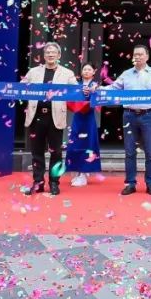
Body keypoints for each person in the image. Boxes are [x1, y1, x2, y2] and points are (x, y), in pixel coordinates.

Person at [108, 44, 151, 196]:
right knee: (129, 152)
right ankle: (130, 184)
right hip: (129, 115)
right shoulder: (126, 74)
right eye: (135, 55)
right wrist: (98, 89)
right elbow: (113, 88)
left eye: (140, 54)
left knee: (150, 152)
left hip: (148, 115)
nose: (137, 57)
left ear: (147, 57)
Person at [22, 42, 77, 196]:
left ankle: (54, 183)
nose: (50, 55)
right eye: (47, 52)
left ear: (59, 55)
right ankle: (38, 183)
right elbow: (19, 88)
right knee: (37, 152)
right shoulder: (33, 72)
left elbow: (76, 90)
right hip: (36, 116)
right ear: (44, 55)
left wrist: (87, 90)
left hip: (55, 117)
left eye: (53, 52)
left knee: (56, 153)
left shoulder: (67, 73)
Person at [65, 63, 101, 188]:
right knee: (75, 143)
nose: (86, 71)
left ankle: (84, 174)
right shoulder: (76, 85)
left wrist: (94, 92)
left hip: (88, 119)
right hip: (77, 117)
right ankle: (76, 171)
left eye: (89, 69)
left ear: (94, 72)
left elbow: (98, 102)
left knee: (88, 144)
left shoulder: (96, 86)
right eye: (84, 69)